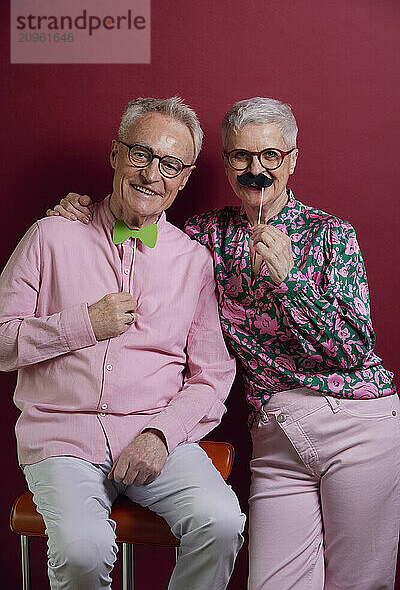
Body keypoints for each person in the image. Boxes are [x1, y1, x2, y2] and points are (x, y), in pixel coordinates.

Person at [52, 96, 400, 590]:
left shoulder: (331, 235)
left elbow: (352, 351)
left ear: (292, 160)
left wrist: (290, 281)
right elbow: (142, 225)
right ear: (227, 159)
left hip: (357, 423)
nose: (255, 169)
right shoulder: (206, 236)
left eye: (270, 156)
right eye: (241, 156)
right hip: (276, 431)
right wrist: (80, 212)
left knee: (360, 583)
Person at [0, 96, 246, 590]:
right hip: (62, 440)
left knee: (221, 522)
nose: (152, 173)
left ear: (183, 178)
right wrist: (84, 323)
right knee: (82, 552)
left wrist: (161, 435)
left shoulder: (193, 261)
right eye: (141, 154)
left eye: (170, 164)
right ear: (116, 154)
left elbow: (213, 375)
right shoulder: (50, 234)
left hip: (155, 435)